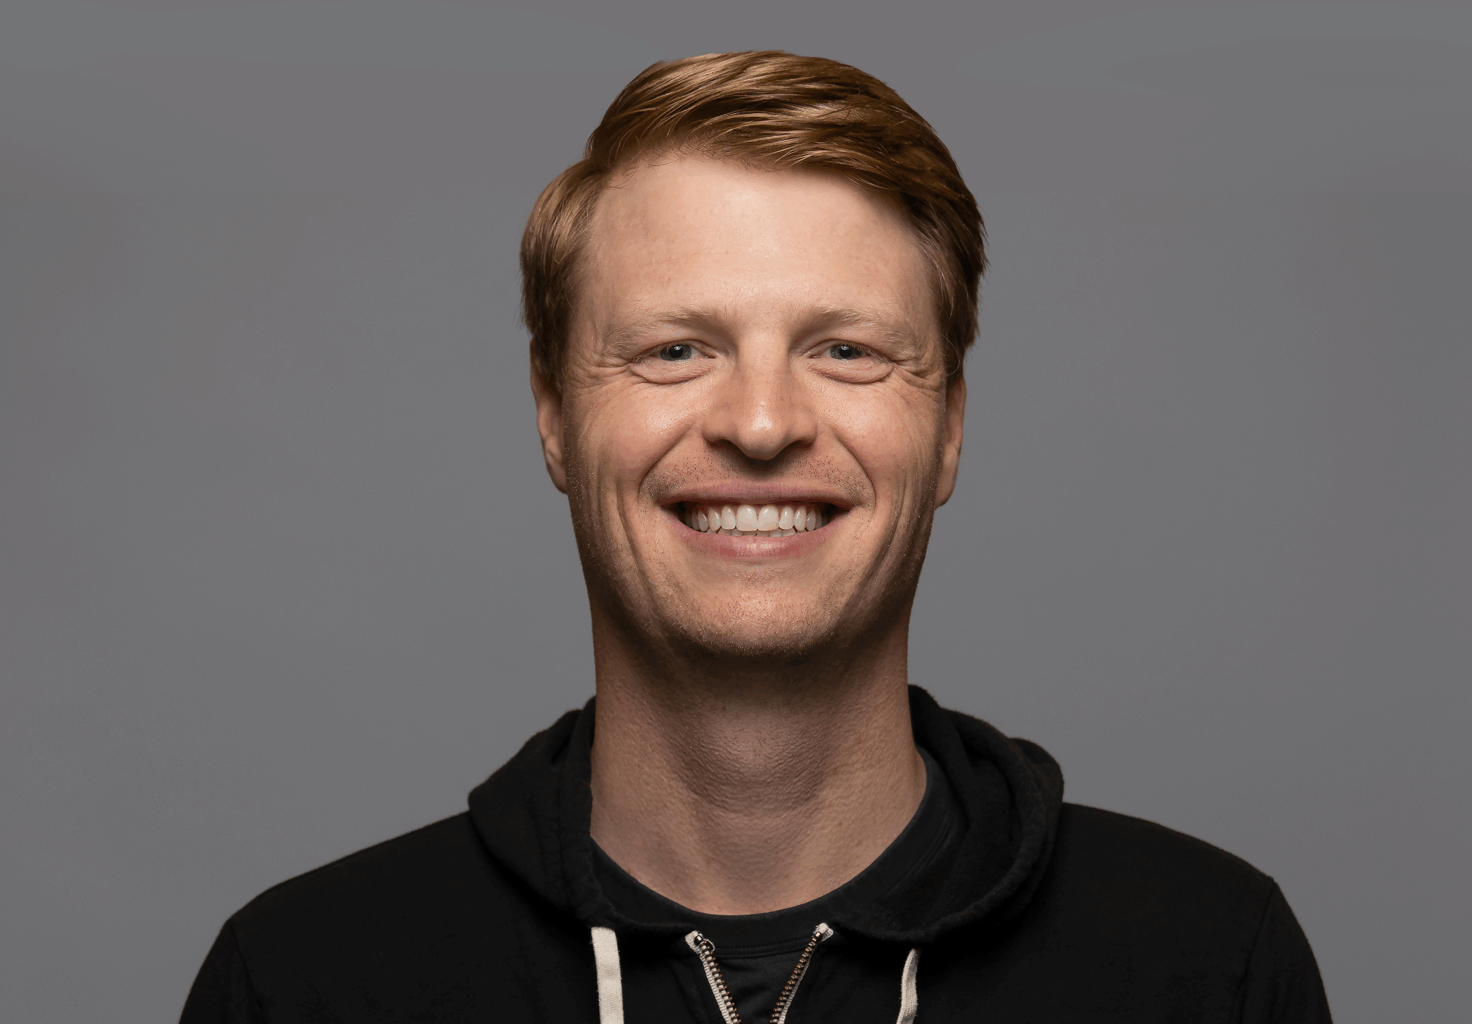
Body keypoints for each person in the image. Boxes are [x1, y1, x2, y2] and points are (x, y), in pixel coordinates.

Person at [181, 51, 1331, 1023]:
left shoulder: (1207, 966)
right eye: (676, 349)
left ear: (947, 427)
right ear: (553, 414)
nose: (763, 423)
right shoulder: (300, 983)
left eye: (845, 350)